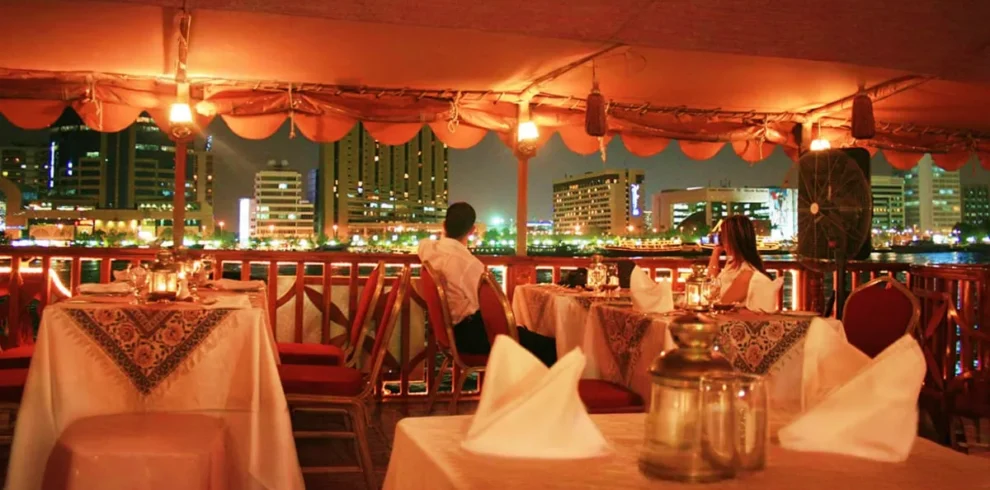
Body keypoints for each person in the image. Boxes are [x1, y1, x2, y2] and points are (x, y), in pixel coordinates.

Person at [418, 202, 558, 366]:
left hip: (450, 334)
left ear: (444, 225)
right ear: (472, 230)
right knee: (551, 348)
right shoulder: (469, 264)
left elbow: (423, 243)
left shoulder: (428, 249)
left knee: (529, 336)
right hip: (472, 336)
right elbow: (489, 306)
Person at [707, 215, 772, 304]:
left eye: (722, 235)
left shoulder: (746, 273)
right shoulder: (732, 265)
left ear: (732, 239)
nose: (719, 238)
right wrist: (716, 253)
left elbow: (723, 304)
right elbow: (710, 283)